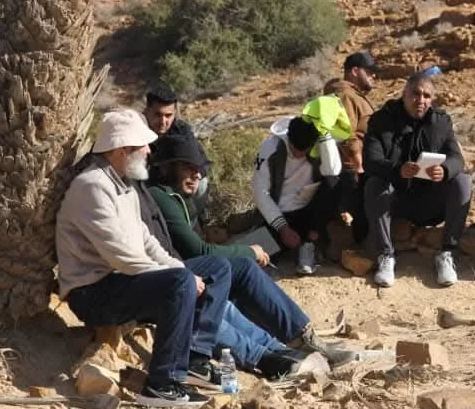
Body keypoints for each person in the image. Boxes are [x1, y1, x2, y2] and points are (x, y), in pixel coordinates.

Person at [55, 109, 232, 408]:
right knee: (180, 282)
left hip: (122, 281)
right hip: (93, 292)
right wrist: (182, 277)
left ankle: (195, 360)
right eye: (142, 145)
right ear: (121, 150)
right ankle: (162, 385)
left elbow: (147, 242)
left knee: (217, 268)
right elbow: (123, 258)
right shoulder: (93, 187)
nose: (149, 151)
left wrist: (179, 268)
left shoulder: (122, 184)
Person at [148, 133, 356, 373]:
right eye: (188, 168)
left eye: (199, 169)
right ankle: (271, 358)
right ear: (168, 168)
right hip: (170, 276)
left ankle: (302, 339)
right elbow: (198, 250)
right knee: (227, 280)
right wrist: (248, 250)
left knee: (243, 271)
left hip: (186, 270)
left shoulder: (179, 196)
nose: (197, 175)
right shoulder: (162, 197)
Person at [364, 72, 471, 288]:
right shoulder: (381, 120)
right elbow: (371, 161)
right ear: (404, 94)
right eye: (415, 93)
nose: (420, 100)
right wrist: (397, 170)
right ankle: (386, 255)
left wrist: (445, 170)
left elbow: (457, 158)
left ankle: (447, 253)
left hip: (429, 199)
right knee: (375, 184)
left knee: (462, 182)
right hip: (395, 200)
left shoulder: (441, 122)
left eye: (427, 96)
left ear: (432, 99)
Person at [253, 112, 342, 275]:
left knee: (336, 182)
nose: (299, 155)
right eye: (295, 150)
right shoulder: (271, 148)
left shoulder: (322, 144)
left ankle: (310, 243)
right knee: (257, 255)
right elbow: (260, 192)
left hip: (312, 210)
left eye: (304, 151)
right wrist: (283, 229)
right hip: (281, 214)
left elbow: (333, 172)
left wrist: (325, 137)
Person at [324, 51, 377, 242]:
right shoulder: (346, 95)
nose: (374, 75)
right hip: (353, 170)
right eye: (369, 71)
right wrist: (358, 164)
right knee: (363, 219)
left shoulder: (351, 94)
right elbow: (347, 134)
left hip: (353, 168)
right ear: (354, 71)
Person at [144, 85, 209, 198]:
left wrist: (193, 175)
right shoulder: (136, 129)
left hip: (172, 181)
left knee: (201, 184)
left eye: (168, 116)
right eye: (158, 115)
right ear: (147, 111)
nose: (163, 121)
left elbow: (202, 162)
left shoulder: (181, 131)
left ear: (174, 113)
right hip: (143, 181)